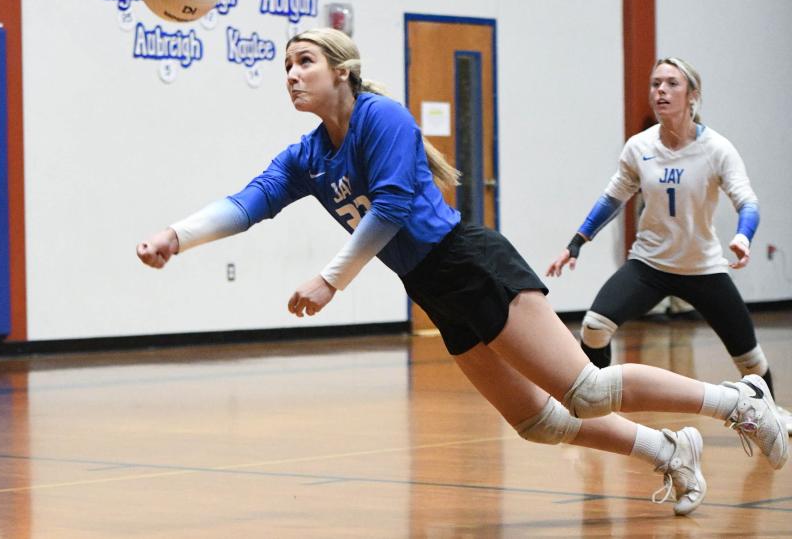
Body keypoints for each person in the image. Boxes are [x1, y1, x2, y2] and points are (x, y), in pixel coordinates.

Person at [137, 30, 788, 516]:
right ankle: (668, 450)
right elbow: (247, 203)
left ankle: (742, 405)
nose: (291, 74)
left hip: (470, 262)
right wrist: (177, 235)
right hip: (432, 288)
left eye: (304, 60)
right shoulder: (307, 155)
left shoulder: (379, 117)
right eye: (285, 65)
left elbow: (392, 206)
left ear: (343, 71)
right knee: (539, 422)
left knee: (586, 389)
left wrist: (332, 278)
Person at [546, 57, 791, 434]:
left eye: (671, 84)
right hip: (649, 266)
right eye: (655, 84)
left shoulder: (717, 149)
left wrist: (743, 236)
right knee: (594, 326)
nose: (660, 91)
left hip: (703, 269)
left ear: (693, 95)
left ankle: (771, 420)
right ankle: (594, 412)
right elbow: (613, 198)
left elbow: (748, 202)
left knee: (749, 359)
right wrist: (577, 242)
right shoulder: (639, 147)